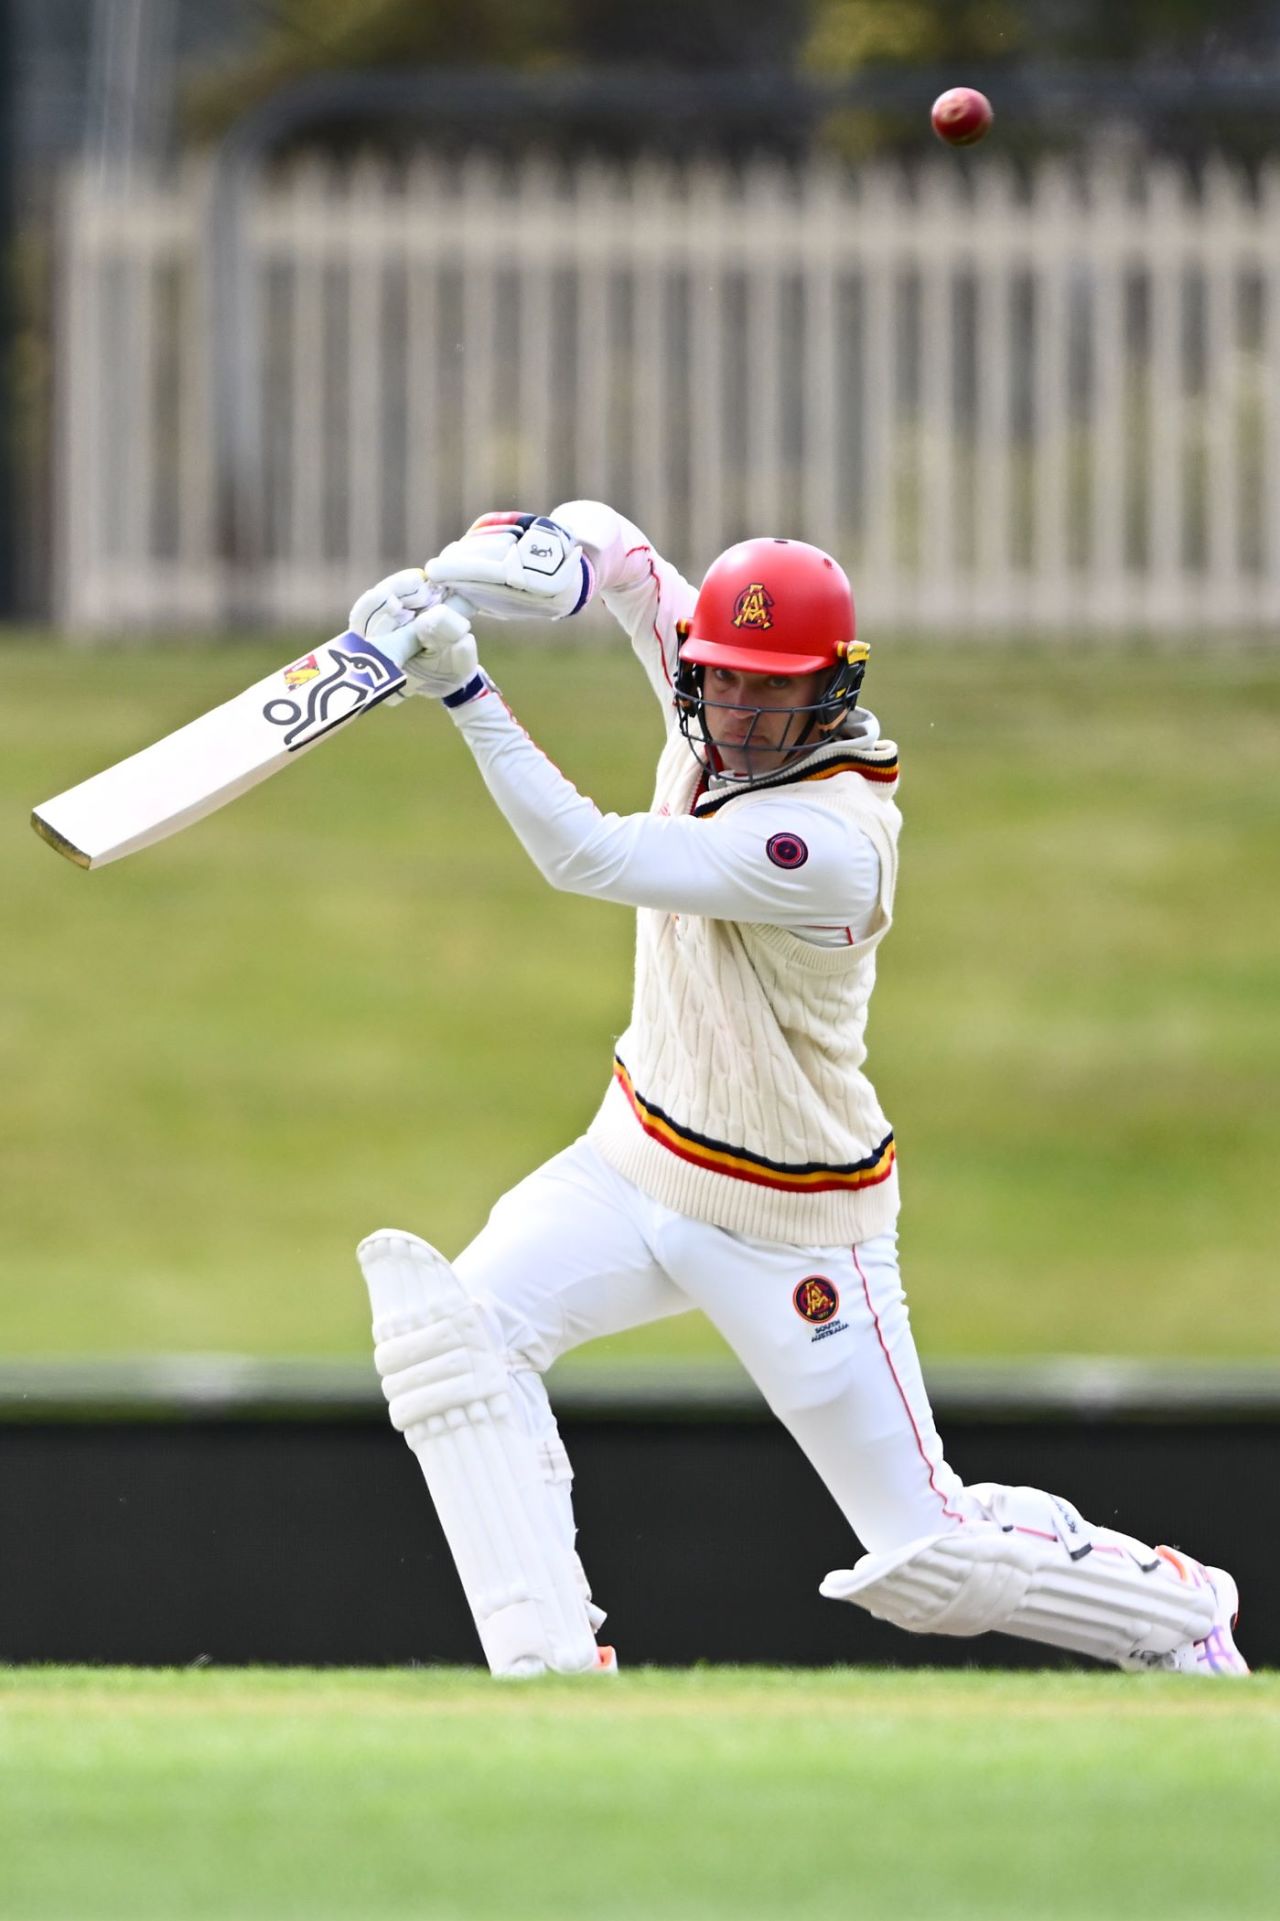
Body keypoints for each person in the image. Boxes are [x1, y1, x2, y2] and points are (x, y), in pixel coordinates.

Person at [349, 503, 1248, 1679]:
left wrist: (465, 688)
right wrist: (537, 556)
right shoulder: (715, 692)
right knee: (455, 1340)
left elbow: (587, 855)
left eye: (772, 691)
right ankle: (553, 1673)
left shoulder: (824, 841)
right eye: (722, 680)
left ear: (832, 688)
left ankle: (1174, 1608)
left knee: (928, 1558)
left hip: (786, 1216)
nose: (739, 713)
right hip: (630, 1161)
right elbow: (628, 562)